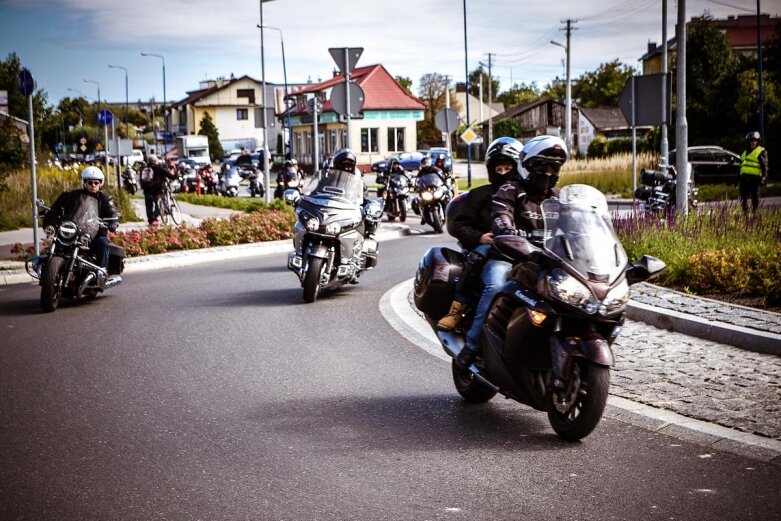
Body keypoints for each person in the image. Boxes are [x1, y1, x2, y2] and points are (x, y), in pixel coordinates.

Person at [454, 135, 568, 369]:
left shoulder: (560, 198)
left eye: (553, 168)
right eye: (541, 167)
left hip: (546, 261)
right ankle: (472, 347)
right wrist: (507, 230)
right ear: (527, 169)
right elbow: (501, 214)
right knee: (496, 286)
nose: (547, 173)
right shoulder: (509, 189)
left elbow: (577, 224)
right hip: (508, 257)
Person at [437, 137, 523, 331]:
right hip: (491, 248)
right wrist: (479, 237)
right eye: (498, 169)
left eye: (507, 169)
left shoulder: (526, 196)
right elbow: (460, 225)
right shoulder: (479, 195)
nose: (503, 173)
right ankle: (457, 309)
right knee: (479, 257)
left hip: (524, 249)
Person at [43, 166, 118, 268]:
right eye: (90, 182)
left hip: (95, 234)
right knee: (57, 242)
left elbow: (112, 212)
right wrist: (49, 213)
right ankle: (46, 268)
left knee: (103, 243)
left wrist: (113, 221)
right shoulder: (73, 196)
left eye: (96, 183)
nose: (93, 185)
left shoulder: (105, 199)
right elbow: (57, 207)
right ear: (84, 183)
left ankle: (101, 271)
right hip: (75, 231)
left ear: (100, 184)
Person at [331, 148, 380, 238]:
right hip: (333, 215)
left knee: (364, 229)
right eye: (343, 165)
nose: (346, 168)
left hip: (351, 215)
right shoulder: (330, 179)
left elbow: (364, 199)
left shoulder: (358, 182)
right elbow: (318, 192)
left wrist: (366, 208)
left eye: (349, 165)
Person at [140, 154, 176, 225]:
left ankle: (151, 220)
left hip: (147, 190)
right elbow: (171, 176)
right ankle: (154, 217)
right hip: (157, 191)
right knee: (160, 205)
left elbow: (141, 180)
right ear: (155, 161)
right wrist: (174, 171)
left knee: (148, 206)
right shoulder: (159, 168)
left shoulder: (144, 169)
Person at [739, 131, 769, 214]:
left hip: (755, 179)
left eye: (754, 140)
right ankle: (745, 213)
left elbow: (765, 167)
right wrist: (738, 177)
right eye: (751, 141)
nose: (752, 142)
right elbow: (741, 166)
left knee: (754, 197)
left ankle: (755, 213)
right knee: (743, 197)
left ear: (757, 142)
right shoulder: (744, 152)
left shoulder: (761, 152)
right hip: (744, 179)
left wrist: (764, 177)